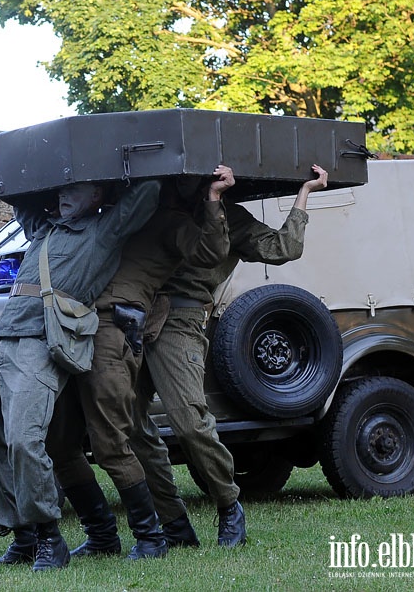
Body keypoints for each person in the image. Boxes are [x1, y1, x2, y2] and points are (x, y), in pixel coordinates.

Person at [129, 164, 329, 548]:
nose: (184, 182)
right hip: (137, 315)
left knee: (189, 423)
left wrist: (305, 192)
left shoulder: (227, 215)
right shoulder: (155, 207)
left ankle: (228, 504)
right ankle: (173, 524)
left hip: (181, 319)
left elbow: (284, 247)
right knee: (129, 425)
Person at [0, 178, 160, 571]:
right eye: (60, 189)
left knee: (24, 440)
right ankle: (23, 536)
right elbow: (18, 197)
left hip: (43, 342)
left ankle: (49, 538)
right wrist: (19, 170)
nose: (63, 195)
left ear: (98, 195)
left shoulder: (104, 230)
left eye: (76, 189)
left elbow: (149, 193)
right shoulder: (43, 226)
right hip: (5, 338)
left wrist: (117, 170)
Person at [46, 167, 233, 560]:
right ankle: (111, 536)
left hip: (115, 329)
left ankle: (160, 535)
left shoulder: (169, 222)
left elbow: (209, 253)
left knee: (116, 439)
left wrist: (215, 200)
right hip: (72, 328)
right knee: (61, 443)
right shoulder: (102, 219)